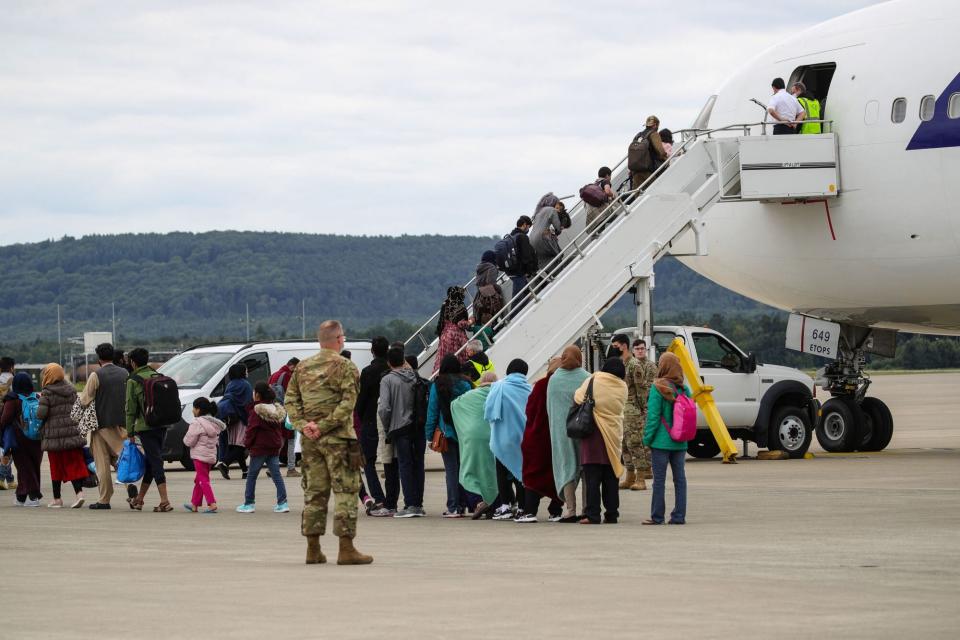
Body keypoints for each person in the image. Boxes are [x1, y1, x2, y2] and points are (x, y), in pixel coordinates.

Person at [285, 320, 372, 565]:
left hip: (311, 441)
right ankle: (346, 548)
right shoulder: (346, 366)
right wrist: (324, 426)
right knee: (345, 490)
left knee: (314, 493)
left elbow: (291, 402)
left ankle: (313, 549)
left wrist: (305, 425)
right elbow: (347, 404)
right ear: (338, 339)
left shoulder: (302, 368)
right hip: (339, 440)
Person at [574, 357, 627, 525]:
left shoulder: (594, 380)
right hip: (613, 436)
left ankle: (593, 514)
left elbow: (577, 397)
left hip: (593, 435)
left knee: (592, 479)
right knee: (611, 479)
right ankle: (612, 514)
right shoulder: (623, 387)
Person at [78, 343, 131, 509]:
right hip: (122, 424)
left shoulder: (96, 375)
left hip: (101, 426)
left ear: (98, 358)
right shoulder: (125, 373)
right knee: (122, 459)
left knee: (102, 464)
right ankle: (131, 488)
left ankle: (104, 499)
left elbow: (85, 399)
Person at [426, 354, 477, 517]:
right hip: (465, 431)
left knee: (451, 470)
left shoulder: (438, 384)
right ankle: (463, 504)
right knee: (464, 468)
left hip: (446, 432)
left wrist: (429, 434)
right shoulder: (467, 384)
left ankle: (453, 506)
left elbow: (433, 411)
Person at [642, 352, 690, 525]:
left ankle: (657, 516)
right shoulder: (684, 389)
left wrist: (647, 440)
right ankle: (679, 516)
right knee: (680, 480)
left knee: (659, 481)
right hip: (680, 442)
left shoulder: (657, 387)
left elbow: (653, 418)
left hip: (661, 442)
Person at [378, 345, 424, 518]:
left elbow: (384, 408)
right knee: (418, 465)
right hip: (418, 427)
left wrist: (387, 426)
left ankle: (410, 504)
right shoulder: (415, 376)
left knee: (404, 465)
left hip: (400, 428)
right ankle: (418, 504)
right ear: (403, 360)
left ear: (389, 362)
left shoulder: (388, 380)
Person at [484, 359, 532, 521]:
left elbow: (489, 411)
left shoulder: (499, 387)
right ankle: (522, 506)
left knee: (502, 472)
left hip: (503, 437)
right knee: (520, 471)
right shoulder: (529, 388)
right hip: (524, 437)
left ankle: (505, 506)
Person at [125, 347, 173, 512]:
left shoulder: (133, 380)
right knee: (151, 462)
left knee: (156, 462)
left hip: (146, 427)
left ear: (132, 362)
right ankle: (139, 499)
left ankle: (165, 501)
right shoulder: (157, 376)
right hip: (162, 424)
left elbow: (130, 409)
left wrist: (130, 432)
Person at [546, 346, 590, 522]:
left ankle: (570, 510)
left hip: (561, 431)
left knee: (566, 466)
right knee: (586, 468)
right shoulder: (587, 377)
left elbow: (550, 408)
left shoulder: (554, 379)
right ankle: (587, 508)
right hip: (583, 430)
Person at [519, 357, 564, 523]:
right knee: (557, 475)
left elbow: (530, 410)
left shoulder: (541, 385)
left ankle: (530, 511)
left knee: (533, 475)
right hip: (558, 438)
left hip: (537, 437)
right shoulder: (565, 385)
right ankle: (556, 510)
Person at [355, 336, 396, 515]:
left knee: (368, 462)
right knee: (391, 461)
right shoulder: (391, 370)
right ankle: (392, 501)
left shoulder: (368, 371)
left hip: (370, 420)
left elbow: (361, 399)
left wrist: (361, 416)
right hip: (391, 420)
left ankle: (379, 498)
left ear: (372, 350)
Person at [37, 364, 87, 508]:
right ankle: (79, 494)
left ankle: (57, 499)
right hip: (71, 434)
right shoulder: (71, 390)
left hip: (53, 436)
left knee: (55, 467)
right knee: (74, 465)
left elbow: (41, 414)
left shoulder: (47, 392)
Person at [450, 372, 500, 519]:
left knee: (468, 472)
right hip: (494, 436)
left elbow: (454, 405)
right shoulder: (498, 394)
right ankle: (495, 505)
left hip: (472, 438)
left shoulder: (469, 396)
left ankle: (478, 501)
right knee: (492, 473)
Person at [611, 333, 657, 490]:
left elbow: (641, 390)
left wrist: (643, 411)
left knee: (635, 444)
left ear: (623, 346)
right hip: (621, 409)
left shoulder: (634, 365)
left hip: (633, 411)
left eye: (616, 346)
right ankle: (629, 476)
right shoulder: (619, 364)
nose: (613, 349)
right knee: (624, 445)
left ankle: (641, 478)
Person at [237, 382, 289, 514]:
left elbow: (251, 429)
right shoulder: (275, 409)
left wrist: (247, 444)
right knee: (276, 475)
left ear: (258, 395)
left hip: (260, 447)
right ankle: (282, 503)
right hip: (274, 446)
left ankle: (249, 503)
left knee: (252, 476)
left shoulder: (257, 410)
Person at [1, 373, 43, 506]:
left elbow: (4, 420)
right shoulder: (37, 397)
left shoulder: (13, 399)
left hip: (20, 439)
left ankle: (33, 497)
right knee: (33, 466)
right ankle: (21, 497)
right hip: (37, 437)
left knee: (24, 467)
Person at [182, 397, 225, 513]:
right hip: (210, 456)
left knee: (203, 480)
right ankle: (194, 504)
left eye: (194, 408)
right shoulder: (214, 423)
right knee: (199, 479)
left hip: (199, 456)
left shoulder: (197, 423)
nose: (192, 411)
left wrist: (185, 440)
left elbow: (189, 441)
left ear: (198, 409)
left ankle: (212, 503)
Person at [215, 363, 252, 480]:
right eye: (246, 370)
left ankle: (245, 471)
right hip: (242, 419)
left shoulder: (230, 384)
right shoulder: (246, 385)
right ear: (241, 372)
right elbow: (247, 403)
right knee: (241, 446)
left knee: (235, 445)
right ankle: (224, 462)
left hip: (231, 419)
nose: (247, 372)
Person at [269, 356, 301, 477]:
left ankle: (272, 467)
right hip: (287, 412)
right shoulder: (287, 376)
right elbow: (292, 394)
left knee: (280, 440)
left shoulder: (274, 375)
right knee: (291, 440)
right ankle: (291, 469)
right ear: (292, 365)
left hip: (276, 411)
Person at [433, 286, 473, 373]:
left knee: (444, 359)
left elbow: (441, 323)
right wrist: (470, 321)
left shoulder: (445, 304)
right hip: (456, 336)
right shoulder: (460, 305)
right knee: (460, 359)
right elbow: (461, 324)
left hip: (445, 335)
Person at [505, 216, 538, 315]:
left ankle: (526, 313)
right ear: (524, 225)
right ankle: (513, 318)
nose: (528, 229)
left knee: (526, 294)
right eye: (528, 227)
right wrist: (530, 270)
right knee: (518, 297)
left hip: (512, 271)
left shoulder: (511, 236)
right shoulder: (522, 237)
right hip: (519, 272)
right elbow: (526, 256)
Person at [630, 116, 668, 191]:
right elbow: (660, 151)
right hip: (648, 170)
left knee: (638, 196)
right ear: (655, 125)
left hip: (636, 171)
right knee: (653, 192)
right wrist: (666, 159)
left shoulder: (638, 135)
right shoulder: (654, 134)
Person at [529, 200, 568, 272]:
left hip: (531, 240)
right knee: (557, 254)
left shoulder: (539, 213)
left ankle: (550, 274)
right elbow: (558, 227)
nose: (558, 210)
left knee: (543, 258)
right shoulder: (552, 210)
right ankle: (560, 271)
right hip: (543, 237)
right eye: (557, 208)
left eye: (560, 209)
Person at [474, 250, 505, 328]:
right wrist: (498, 288)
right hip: (490, 295)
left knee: (483, 316)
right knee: (495, 311)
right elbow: (490, 282)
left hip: (480, 295)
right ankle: (501, 323)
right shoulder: (492, 268)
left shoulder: (480, 268)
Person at [0, 357, 15, 490]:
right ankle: (1, 477)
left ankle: (10, 479)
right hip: (9, 418)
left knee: (3, 447)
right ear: (11, 367)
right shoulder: (13, 380)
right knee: (9, 447)